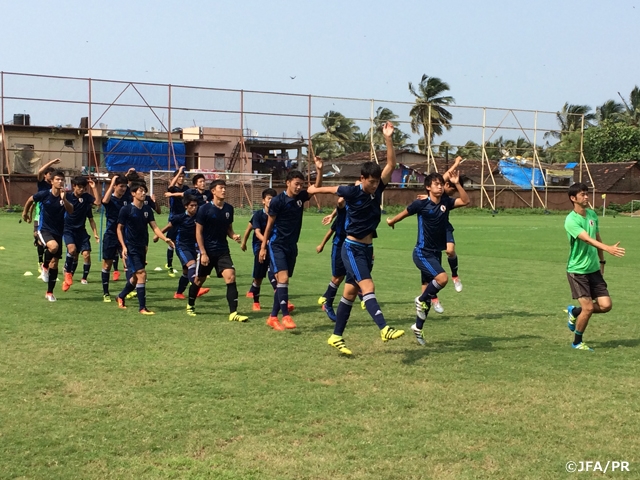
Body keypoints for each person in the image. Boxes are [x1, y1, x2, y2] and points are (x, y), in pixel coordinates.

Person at [307, 122, 403, 355]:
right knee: (368, 286)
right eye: (370, 181)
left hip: (367, 250)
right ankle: (384, 328)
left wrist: (388, 138)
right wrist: (312, 190)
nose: (374, 185)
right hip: (351, 248)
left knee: (349, 294)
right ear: (362, 179)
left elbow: (391, 163)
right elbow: (331, 190)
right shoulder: (353, 191)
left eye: (376, 181)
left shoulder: (378, 188)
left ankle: (336, 336)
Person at [386, 169, 470, 346]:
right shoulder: (421, 204)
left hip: (435, 254)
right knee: (442, 279)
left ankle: (418, 327)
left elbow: (465, 200)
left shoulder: (446, 202)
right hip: (422, 252)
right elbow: (405, 212)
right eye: (436, 184)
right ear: (428, 187)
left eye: (441, 184)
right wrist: (392, 221)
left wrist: (457, 183)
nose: (440, 186)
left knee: (427, 295)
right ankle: (421, 298)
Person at [259, 158, 324, 330]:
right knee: (283, 279)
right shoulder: (277, 201)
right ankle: (285, 316)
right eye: (296, 184)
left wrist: (319, 171)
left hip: (291, 246)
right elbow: (269, 226)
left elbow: (315, 189)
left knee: (282, 282)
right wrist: (263, 247)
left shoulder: (301, 198)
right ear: (288, 183)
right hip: (277, 244)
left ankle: (272, 317)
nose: (299, 187)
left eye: (301, 184)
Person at [564, 183, 625, 351]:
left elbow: (596, 236)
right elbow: (587, 239)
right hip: (577, 271)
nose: (586, 197)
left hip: (593, 269)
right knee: (589, 308)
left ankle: (574, 312)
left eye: (587, 194)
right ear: (573, 198)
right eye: (583, 195)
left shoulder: (592, 214)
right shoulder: (571, 220)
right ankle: (577, 342)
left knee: (606, 306)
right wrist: (609, 248)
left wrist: (602, 261)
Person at [190, 179, 248, 321]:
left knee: (231, 276)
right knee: (199, 280)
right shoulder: (204, 209)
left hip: (222, 250)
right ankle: (190, 304)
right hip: (207, 252)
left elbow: (229, 228)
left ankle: (233, 313)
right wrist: (203, 253)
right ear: (213, 191)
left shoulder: (229, 209)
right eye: (221, 188)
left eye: (225, 188)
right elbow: (198, 232)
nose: (224, 190)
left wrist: (233, 235)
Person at [116, 182, 174, 314]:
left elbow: (155, 227)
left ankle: (121, 296)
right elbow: (119, 229)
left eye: (144, 191)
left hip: (142, 246)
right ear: (133, 193)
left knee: (136, 278)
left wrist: (165, 239)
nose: (143, 193)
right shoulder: (126, 209)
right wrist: (123, 247)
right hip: (131, 247)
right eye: (140, 191)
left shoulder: (147, 210)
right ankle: (142, 308)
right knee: (142, 274)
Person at [415, 156, 464, 314]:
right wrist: (455, 163)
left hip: (444, 227)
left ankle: (455, 276)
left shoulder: (444, 197)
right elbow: (444, 176)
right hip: (429, 236)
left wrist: (456, 164)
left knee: (450, 251)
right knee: (428, 277)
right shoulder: (435, 190)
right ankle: (431, 300)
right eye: (443, 184)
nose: (444, 188)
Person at [21, 170, 74, 301]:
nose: (60, 182)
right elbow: (30, 199)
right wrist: (25, 213)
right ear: (52, 181)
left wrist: (64, 199)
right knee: (54, 247)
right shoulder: (44, 194)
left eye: (62, 179)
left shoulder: (66, 196)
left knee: (54, 263)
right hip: (44, 229)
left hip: (58, 232)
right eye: (57, 179)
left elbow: (71, 210)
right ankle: (44, 264)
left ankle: (49, 292)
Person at [153, 194, 210, 300]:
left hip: (194, 246)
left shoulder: (199, 217)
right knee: (191, 265)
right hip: (182, 246)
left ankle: (179, 293)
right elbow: (169, 226)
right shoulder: (180, 217)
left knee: (186, 272)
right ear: (186, 206)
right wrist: (157, 235)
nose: (194, 208)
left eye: (196, 206)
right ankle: (197, 287)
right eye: (192, 206)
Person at [240, 188, 279, 312]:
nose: (271, 201)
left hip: (273, 246)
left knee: (275, 272)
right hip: (259, 246)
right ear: (263, 201)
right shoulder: (258, 215)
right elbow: (254, 231)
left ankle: (283, 301)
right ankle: (256, 301)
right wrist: (244, 242)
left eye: (273, 199)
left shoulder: (278, 214)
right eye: (269, 198)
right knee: (259, 277)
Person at [61, 176, 101, 291]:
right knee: (72, 251)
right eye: (79, 187)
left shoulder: (86, 198)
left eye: (84, 188)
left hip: (81, 231)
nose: (82, 190)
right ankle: (68, 273)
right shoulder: (68, 196)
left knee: (86, 254)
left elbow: (98, 203)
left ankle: (82, 277)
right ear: (74, 186)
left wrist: (93, 188)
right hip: (68, 229)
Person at [316, 198, 348, 322]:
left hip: (353, 245)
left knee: (350, 276)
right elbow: (331, 229)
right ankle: (328, 304)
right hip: (339, 245)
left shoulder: (358, 210)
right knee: (337, 277)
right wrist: (322, 244)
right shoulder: (343, 211)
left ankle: (326, 298)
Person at [100, 174, 129, 302]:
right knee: (107, 265)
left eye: (125, 186)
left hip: (124, 235)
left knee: (127, 262)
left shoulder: (127, 199)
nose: (123, 189)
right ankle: (106, 293)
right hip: (111, 235)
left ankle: (128, 290)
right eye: (121, 186)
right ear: (115, 186)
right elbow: (104, 201)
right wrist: (111, 184)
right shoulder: (110, 199)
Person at [33, 158, 61, 278]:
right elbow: (39, 172)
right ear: (45, 175)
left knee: (50, 244)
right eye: (50, 174)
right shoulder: (42, 184)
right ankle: (41, 263)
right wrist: (51, 162)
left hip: (53, 218)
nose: (52, 176)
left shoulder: (56, 187)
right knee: (39, 238)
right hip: (40, 215)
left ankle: (46, 265)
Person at [165, 166, 190, 276]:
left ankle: (187, 265)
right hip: (174, 217)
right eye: (179, 176)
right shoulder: (173, 189)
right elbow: (170, 186)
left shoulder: (186, 188)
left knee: (185, 241)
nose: (181, 178)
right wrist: (178, 171)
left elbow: (187, 196)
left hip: (185, 217)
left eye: (182, 176)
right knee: (172, 242)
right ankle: (169, 265)